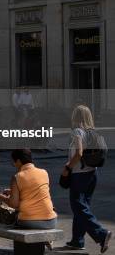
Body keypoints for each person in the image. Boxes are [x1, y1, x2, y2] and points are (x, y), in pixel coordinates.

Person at [61, 105, 112, 252]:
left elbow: (79, 153)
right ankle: (77, 241)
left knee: (78, 206)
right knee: (82, 208)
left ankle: (102, 234)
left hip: (79, 174)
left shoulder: (77, 131)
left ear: (75, 117)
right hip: (92, 174)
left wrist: (68, 167)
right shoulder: (92, 132)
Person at [0, 149, 57, 232]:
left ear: (18, 161)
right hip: (51, 221)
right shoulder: (44, 172)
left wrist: (2, 198)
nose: (14, 165)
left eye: (13, 162)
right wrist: (12, 191)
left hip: (29, 221)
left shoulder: (17, 177)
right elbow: (34, 191)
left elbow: (14, 204)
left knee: (6, 218)